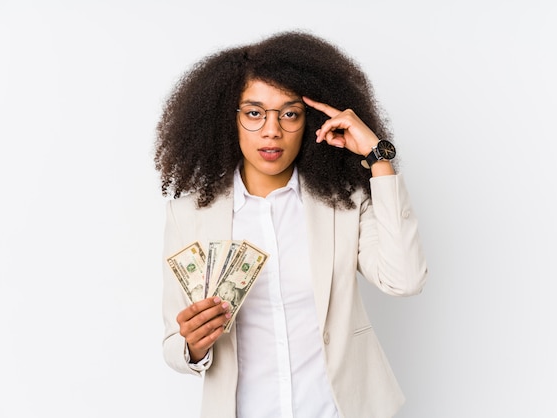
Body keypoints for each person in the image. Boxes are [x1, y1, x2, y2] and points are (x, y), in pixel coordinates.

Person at [155, 30, 428, 418]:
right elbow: (173, 345)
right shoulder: (188, 216)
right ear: (226, 119)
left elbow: (405, 280)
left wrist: (378, 157)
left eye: (289, 113)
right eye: (254, 113)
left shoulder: (345, 205)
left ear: (311, 120)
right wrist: (193, 346)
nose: (272, 130)